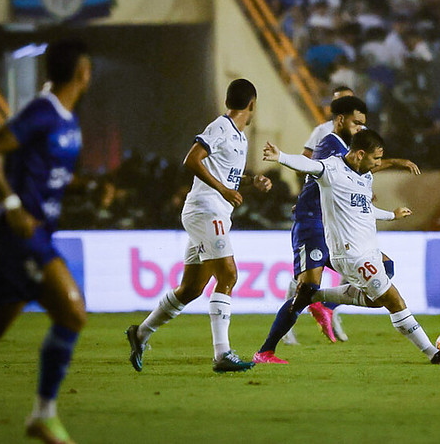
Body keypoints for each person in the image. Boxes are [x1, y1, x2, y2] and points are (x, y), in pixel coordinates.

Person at [0, 39, 92, 444]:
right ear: (83, 71)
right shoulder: (43, 112)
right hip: (20, 238)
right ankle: (43, 415)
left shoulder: (66, 118)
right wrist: (11, 203)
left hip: (37, 234)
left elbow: (44, 172)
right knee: (73, 313)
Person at [261, 129, 440, 365]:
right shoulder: (332, 170)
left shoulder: (364, 176)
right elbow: (308, 165)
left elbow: (363, 210)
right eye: (375, 159)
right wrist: (281, 156)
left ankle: (318, 297)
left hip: (369, 250)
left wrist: (391, 215)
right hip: (351, 255)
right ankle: (433, 353)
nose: (377, 164)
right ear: (359, 154)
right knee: (395, 301)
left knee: (383, 283)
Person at [254, 97, 419, 364]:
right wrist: (281, 157)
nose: (361, 129)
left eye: (363, 124)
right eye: (357, 123)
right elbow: (317, 168)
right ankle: (266, 350)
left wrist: (369, 198)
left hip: (337, 227)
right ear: (340, 120)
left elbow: (360, 168)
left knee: (386, 267)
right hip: (314, 222)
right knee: (306, 289)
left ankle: (326, 303)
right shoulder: (330, 145)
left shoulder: (350, 148)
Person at [126, 78, 272, 374]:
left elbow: (224, 173)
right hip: (207, 210)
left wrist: (250, 181)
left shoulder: (240, 138)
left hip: (213, 211)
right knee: (228, 275)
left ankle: (139, 333)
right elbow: (192, 160)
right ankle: (222, 354)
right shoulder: (221, 127)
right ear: (252, 104)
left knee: (191, 287)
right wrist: (222, 189)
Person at [285, 84, 355, 345]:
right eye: (340, 102)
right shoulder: (322, 133)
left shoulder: (360, 131)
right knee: (307, 275)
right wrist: (305, 194)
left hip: (345, 214)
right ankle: (289, 324)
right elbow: (306, 164)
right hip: (319, 212)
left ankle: (330, 309)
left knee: (351, 268)